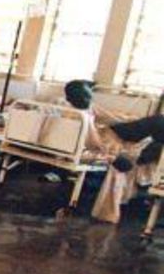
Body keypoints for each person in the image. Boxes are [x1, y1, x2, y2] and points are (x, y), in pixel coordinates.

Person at [62, 80, 163, 223]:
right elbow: (93, 144)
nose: (87, 100)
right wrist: (112, 157)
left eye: (89, 97)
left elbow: (109, 116)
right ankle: (144, 157)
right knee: (159, 128)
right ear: (69, 99)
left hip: (114, 133)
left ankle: (145, 155)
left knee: (158, 127)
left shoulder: (86, 107)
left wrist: (134, 120)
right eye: (83, 97)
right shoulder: (76, 115)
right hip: (110, 139)